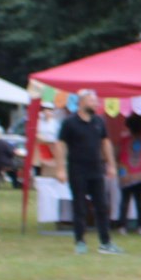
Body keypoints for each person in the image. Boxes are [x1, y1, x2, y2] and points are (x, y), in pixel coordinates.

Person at [51, 89, 121, 255]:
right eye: (92, 100)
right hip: (77, 169)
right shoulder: (69, 122)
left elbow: (105, 143)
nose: (96, 103)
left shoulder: (99, 121)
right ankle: (80, 242)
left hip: (96, 169)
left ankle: (105, 242)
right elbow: (60, 145)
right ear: (81, 102)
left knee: (102, 206)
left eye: (96, 101)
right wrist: (60, 168)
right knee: (80, 206)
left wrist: (111, 164)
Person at [118, 115, 141, 232]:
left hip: (125, 173)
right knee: (139, 200)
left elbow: (120, 155)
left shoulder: (124, 140)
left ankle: (122, 226)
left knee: (124, 200)